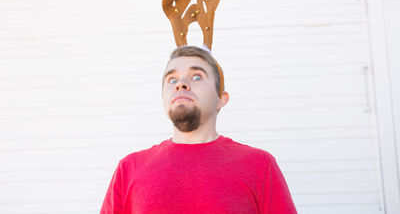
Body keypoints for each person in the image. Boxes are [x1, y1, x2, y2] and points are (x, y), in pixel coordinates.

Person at [100, 46, 298, 213]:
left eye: (196, 77)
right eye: (172, 79)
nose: (181, 84)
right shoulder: (129, 169)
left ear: (221, 99)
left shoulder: (260, 166)